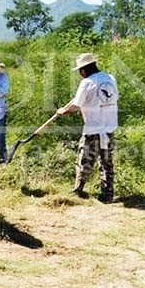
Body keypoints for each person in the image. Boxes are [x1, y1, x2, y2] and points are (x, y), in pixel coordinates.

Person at [56, 53, 119, 203]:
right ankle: (107, 195)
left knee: (84, 160)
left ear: (83, 70)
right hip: (109, 128)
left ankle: (78, 190)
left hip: (93, 129)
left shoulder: (86, 82)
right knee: (106, 162)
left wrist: (63, 111)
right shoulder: (110, 79)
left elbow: (76, 105)